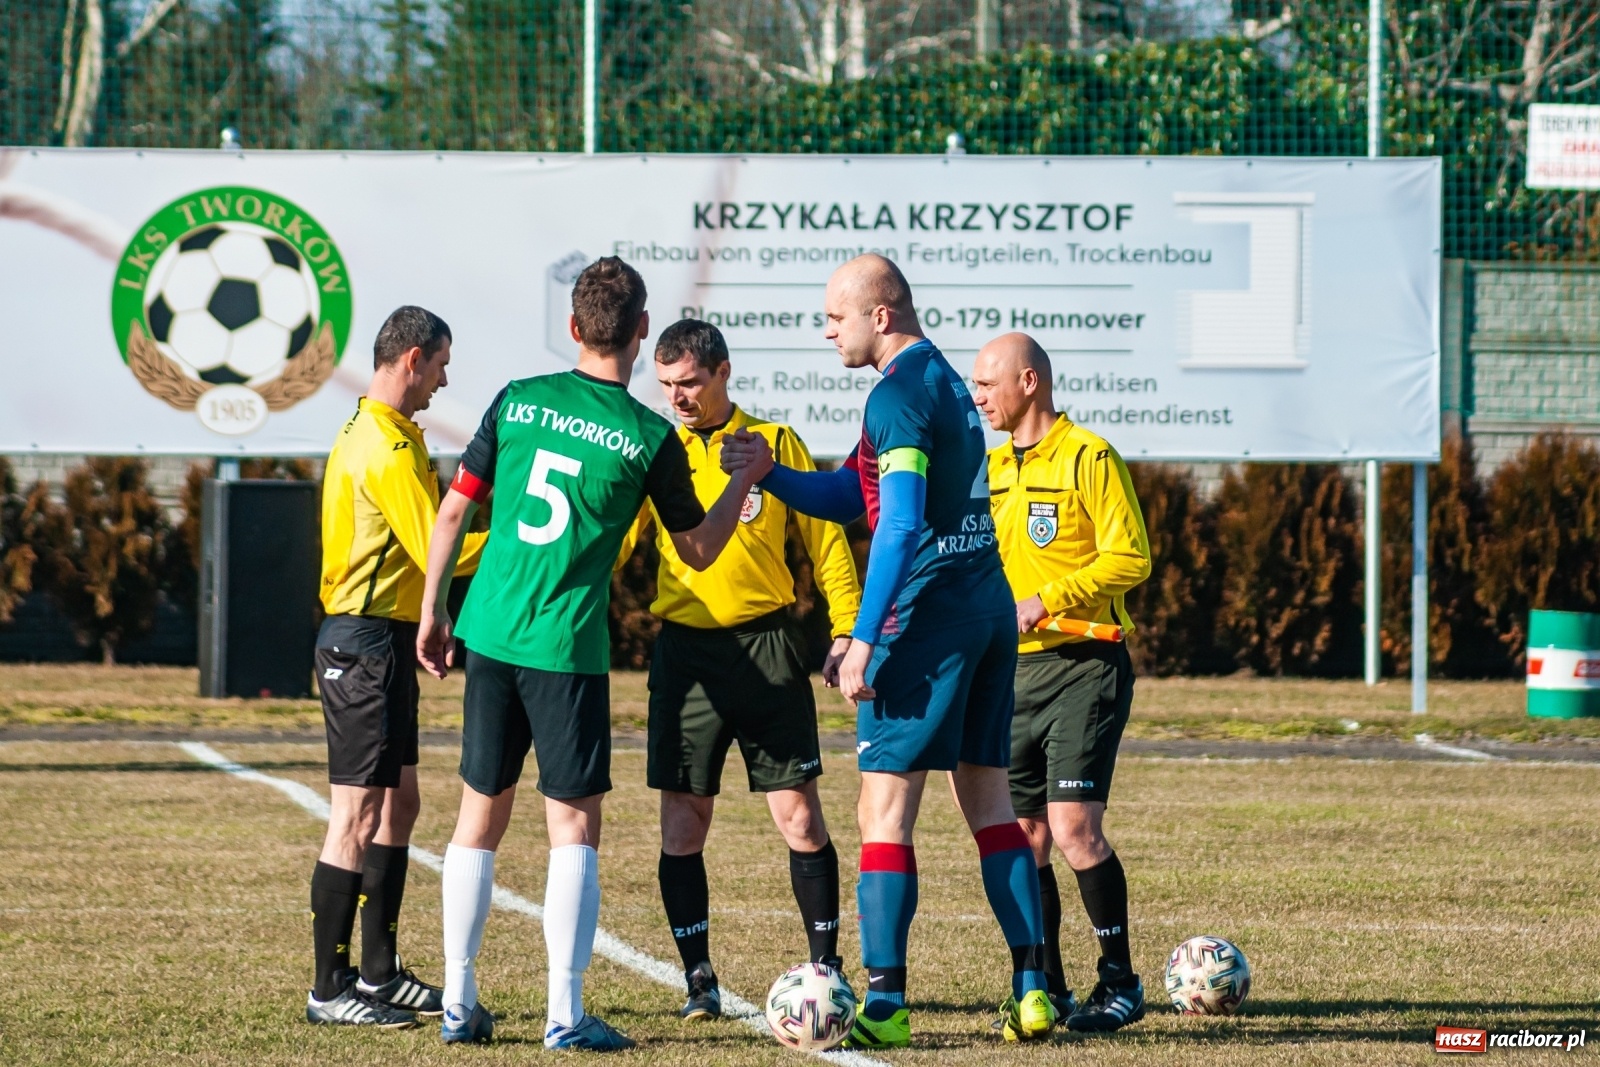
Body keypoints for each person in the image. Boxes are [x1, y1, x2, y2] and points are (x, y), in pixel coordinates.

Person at [414, 258, 772, 1051]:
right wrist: (742, 478)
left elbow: (450, 516)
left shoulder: (516, 398)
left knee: (478, 819)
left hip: (489, 632)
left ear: (574, 327)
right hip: (565, 649)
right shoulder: (650, 437)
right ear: (642, 333)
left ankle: (459, 1001)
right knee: (572, 827)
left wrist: (434, 609)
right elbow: (702, 550)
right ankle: (565, 1014)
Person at [721, 255, 1055, 1048]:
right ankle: (1033, 990)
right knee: (992, 810)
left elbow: (899, 525)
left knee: (884, 812)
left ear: (880, 315)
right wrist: (776, 476)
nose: (826, 328)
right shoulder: (938, 379)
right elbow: (857, 495)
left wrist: (863, 640)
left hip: (927, 624)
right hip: (985, 614)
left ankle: (885, 1006)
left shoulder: (898, 394)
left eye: (836, 315)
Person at [614, 318, 861, 1020]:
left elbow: (828, 545)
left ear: (723, 372)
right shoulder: (655, 449)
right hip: (685, 653)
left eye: (689, 382)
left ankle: (825, 967)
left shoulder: (772, 445)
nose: (677, 397)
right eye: (664, 385)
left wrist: (845, 629)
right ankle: (698, 978)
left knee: (800, 817)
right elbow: (615, 535)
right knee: (682, 825)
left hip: (767, 647)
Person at [307, 305, 487, 1028]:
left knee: (401, 799)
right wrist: (524, 549)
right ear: (412, 358)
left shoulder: (382, 430)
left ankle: (378, 973)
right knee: (356, 811)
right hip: (360, 643)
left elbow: (418, 557)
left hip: (379, 636)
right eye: (441, 364)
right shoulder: (382, 445)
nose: (445, 380)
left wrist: (427, 616)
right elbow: (432, 547)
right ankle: (329, 986)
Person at [970, 332, 1152, 1032]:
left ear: (1029, 382)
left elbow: (1130, 557)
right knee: (1024, 836)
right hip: (1012, 673)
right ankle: (1047, 984)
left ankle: (1122, 983)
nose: (979, 396)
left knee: (1075, 828)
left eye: (989, 383)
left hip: (1085, 664)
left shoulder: (1089, 456)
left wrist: (1049, 598)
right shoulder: (989, 469)